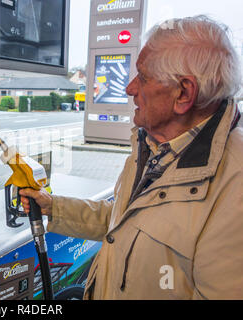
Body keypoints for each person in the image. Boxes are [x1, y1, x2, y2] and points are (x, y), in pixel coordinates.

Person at [19, 16, 243, 300]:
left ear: (183, 93)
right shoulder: (154, 146)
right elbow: (122, 223)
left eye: (144, 77)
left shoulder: (235, 186)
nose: (130, 88)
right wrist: (54, 207)